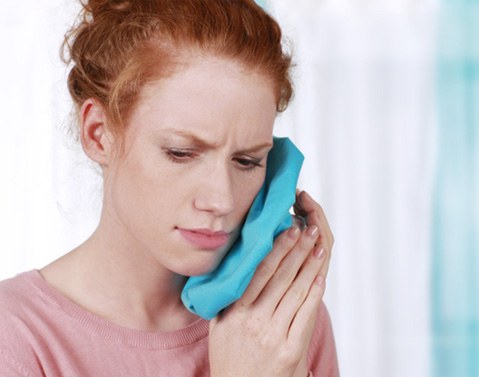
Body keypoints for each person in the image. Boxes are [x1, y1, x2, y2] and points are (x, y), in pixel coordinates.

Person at [0, 1, 339, 376]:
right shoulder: (16, 337)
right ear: (99, 134)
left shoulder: (281, 318)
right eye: (181, 153)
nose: (221, 200)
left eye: (247, 161)